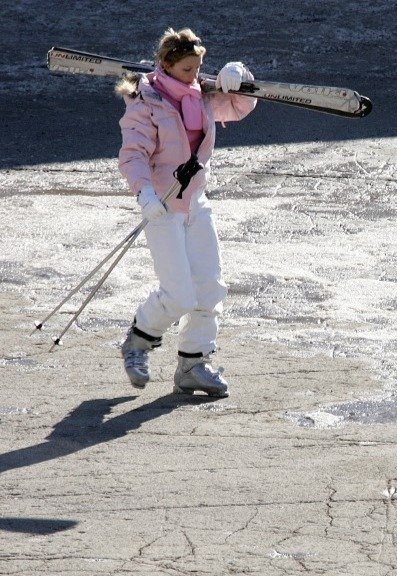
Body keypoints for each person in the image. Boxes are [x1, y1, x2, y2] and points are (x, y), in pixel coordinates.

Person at [115, 28, 256, 397]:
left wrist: (238, 77)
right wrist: (144, 192)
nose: (195, 76)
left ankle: (194, 364)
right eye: (188, 70)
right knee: (178, 294)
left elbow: (240, 106)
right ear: (166, 65)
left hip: (196, 202)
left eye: (199, 68)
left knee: (210, 286)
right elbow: (133, 154)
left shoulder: (200, 95)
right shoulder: (146, 101)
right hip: (163, 207)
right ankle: (138, 342)